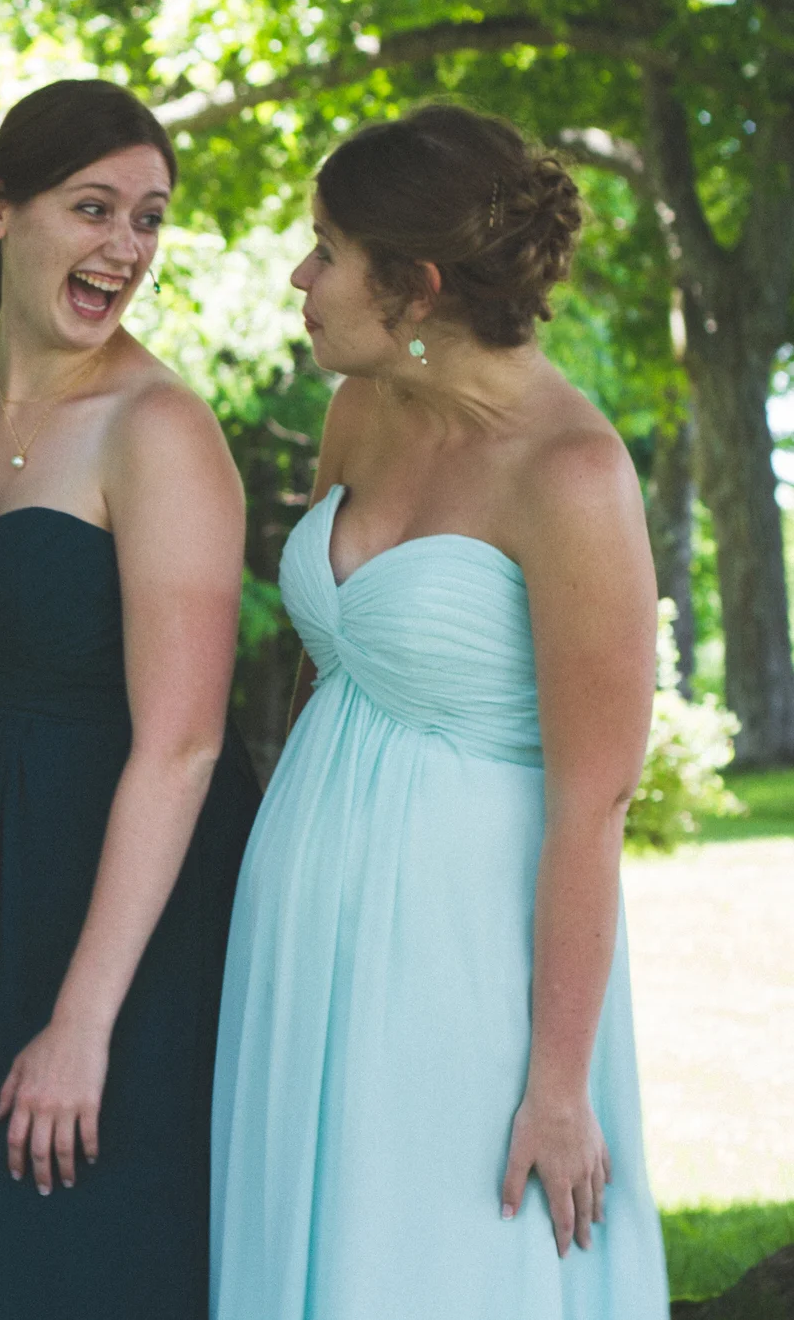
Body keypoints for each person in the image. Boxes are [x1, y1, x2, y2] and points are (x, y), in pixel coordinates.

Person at [212, 106, 668, 1317]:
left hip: (465, 948)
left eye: (324, 250)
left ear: (411, 287)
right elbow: (333, 653)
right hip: (305, 920)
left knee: (437, 1257)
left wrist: (558, 1083)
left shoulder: (570, 472)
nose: (300, 276)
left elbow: (595, 797)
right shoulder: (362, 407)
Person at [0, 80, 260, 1318]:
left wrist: (84, 1017)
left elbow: (186, 741)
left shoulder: (160, 429)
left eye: (147, 218)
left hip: (113, 889)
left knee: (70, 1241)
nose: (125, 248)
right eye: (93, 208)